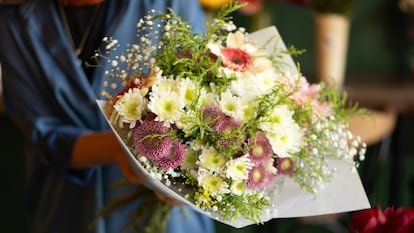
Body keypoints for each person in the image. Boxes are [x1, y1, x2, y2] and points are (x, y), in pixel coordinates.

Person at [0, 1, 215, 233]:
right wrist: (119, 148)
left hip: (169, 219)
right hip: (67, 209)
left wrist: (183, 178)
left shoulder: (171, 4)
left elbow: (204, 102)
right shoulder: (12, 17)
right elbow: (42, 135)